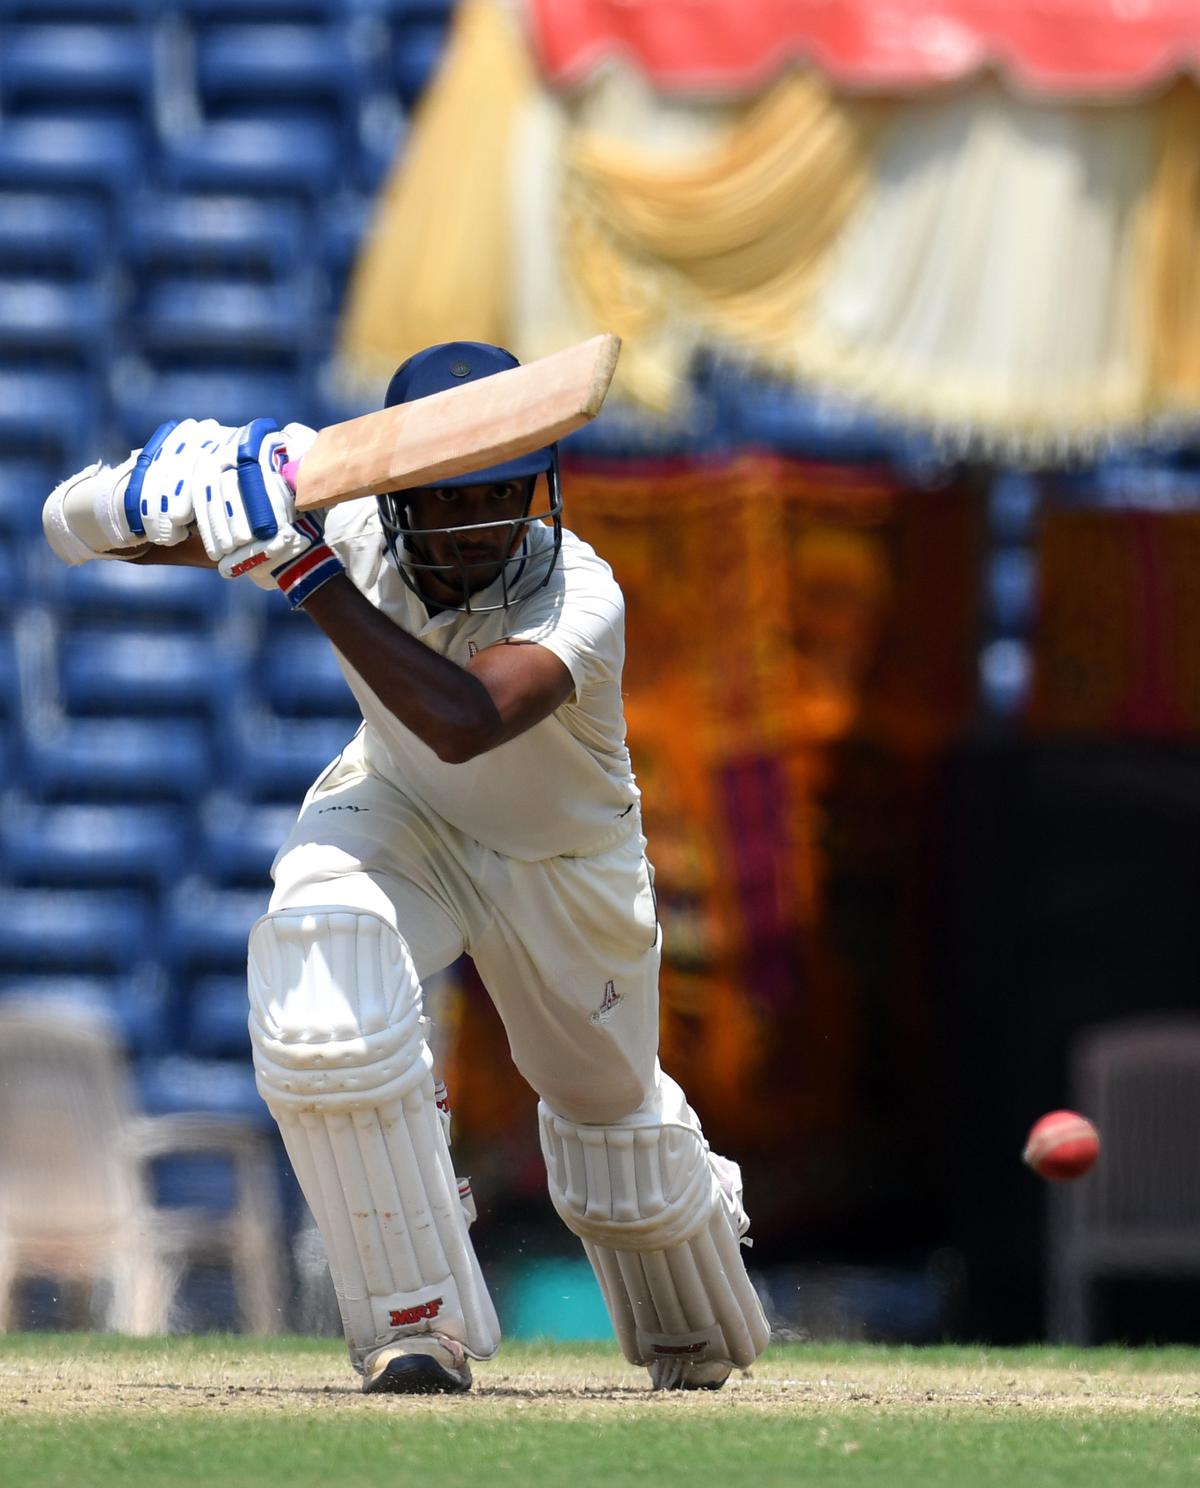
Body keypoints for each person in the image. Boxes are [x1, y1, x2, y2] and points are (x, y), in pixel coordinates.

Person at [42, 342, 771, 1395]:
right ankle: (413, 1322)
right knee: (317, 980)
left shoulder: (578, 591)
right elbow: (83, 530)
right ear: (396, 495)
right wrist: (160, 491)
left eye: (505, 492)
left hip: (561, 860)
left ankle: (693, 1296)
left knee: (612, 1130)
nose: (488, 525)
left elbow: (464, 722)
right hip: (400, 808)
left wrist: (298, 566)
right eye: (454, 499)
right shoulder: (342, 510)